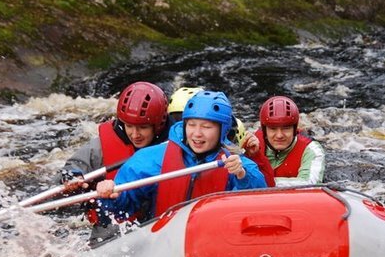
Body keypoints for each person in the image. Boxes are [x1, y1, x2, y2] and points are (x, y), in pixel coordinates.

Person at [95, 90, 267, 223]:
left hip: (212, 244)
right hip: (160, 243)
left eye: (206, 127)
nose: (197, 134)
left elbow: (259, 203)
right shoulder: (152, 159)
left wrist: (242, 176)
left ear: (222, 130)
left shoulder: (238, 165)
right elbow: (120, 210)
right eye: (191, 125)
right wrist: (111, 195)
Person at [58, 81, 170, 244]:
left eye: (143, 127)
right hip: (111, 232)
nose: (135, 134)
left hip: (159, 227)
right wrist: (71, 177)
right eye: (129, 126)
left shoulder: (176, 144)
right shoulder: (101, 147)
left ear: (158, 124)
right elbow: (74, 165)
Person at [248, 95, 325, 187]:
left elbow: (310, 184)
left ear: (294, 129)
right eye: (273, 129)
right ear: (264, 130)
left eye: (286, 128)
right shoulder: (251, 142)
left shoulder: (312, 149)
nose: (279, 135)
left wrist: (264, 182)